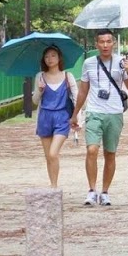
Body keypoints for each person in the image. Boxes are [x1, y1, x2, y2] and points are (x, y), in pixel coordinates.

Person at [72, 28, 128, 207]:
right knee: (92, 149)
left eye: (108, 41)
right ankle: (92, 190)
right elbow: (83, 90)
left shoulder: (121, 63)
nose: (105, 45)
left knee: (110, 153)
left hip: (114, 112)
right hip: (94, 111)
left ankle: (105, 191)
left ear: (113, 43)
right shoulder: (89, 63)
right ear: (97, 44)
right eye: (102, 42)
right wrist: (75, 113)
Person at [32, 45, 77, 188]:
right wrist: (39, 90)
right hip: (45, 117)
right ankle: (53, 185)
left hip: (62, 118)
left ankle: (54, 187)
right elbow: (35, 101)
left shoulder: (67, 76)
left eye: (53, 55)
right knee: (48, 156)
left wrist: (77, 119)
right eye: (46, 56)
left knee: (53, 153)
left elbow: (76, 98)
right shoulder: (40, 77)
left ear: (59, 58)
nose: (49, 59)